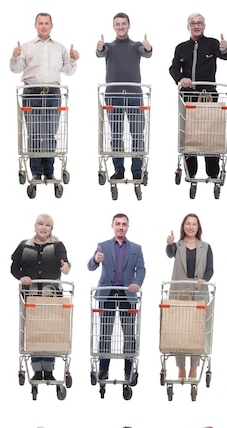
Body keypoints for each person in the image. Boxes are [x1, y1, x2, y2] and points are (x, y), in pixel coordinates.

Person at [11, 13, 78, 180]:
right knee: (33, 133)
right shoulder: (27, 47)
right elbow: (16, 69)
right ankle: (36, 172)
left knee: (50, 133)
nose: (43, 26)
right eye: (40, 23)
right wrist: (15, 56)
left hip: (53, 94)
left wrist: (73, 59)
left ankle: (48, 171)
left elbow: (69, 71)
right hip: (31, 93)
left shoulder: (60, 48)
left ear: (51, 25)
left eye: (46, 23)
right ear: (35, 25)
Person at [169, 13, 227, 178]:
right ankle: (191, 172)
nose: (196, 26)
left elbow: (225, 55)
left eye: (199, 23)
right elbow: (173, 68)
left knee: (211, 133)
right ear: (188, 26)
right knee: (189, 135)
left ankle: (212, 172)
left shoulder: (212, 44)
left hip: (208, 97)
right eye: (193, 23)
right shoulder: (181, 47)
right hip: (188, 97)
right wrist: (181, 79)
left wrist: (225, 49)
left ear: (204, 26)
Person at [10, 213, 70, 381]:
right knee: (34, 331)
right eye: (40, 224)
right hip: (30, 296)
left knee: (49, 331)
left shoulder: (57, 245)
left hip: (52, 295)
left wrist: (65, 266)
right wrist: (21, 276)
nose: (43, 227)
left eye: (47, 225)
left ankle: (49, 370)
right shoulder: (24, 245)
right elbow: (14, 267)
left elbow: (64, 261)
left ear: (51, 229)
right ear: (35, 226)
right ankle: (37, 370)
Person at [88, 213, 145, 381]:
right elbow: (90, 266)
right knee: (105, 333)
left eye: (124, 224)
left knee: (129, 334)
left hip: (128, 294)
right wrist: (95, 259)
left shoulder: (136, 248)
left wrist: (137, 283)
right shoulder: (102, 246)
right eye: (118, 224)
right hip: (107, 294)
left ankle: (128, 370)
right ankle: (103, 370)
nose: (121, 227)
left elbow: (141, 269)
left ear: (128, 227)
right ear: (112, 226)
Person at [97, 12, 152, 180]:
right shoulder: (109, 46)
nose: (120, 27)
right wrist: (99, 47)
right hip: (113, 95)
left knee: (137, 134)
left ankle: (137, 171)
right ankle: (119, 170)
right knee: (116, 134)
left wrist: (148, 47)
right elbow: (100, 53)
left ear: (128, 25)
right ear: (114, 27)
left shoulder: (136, 45)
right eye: (117, 24)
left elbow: (147, 53)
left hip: (135, 95)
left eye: (123, 23)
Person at [166, 213, 213, 379]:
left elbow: (210, 269)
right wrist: (170, 243)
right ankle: (181, 367)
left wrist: (204, 280)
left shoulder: (206, 247)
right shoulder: (177, 245)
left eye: (194, 224)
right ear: (183, 226)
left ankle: (194, 366)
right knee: (179, 329)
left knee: (197, 329)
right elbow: (170, 253)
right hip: (179, 290)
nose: (191, 227)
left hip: (199, 291)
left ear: (198, 227)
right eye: (188, 224)